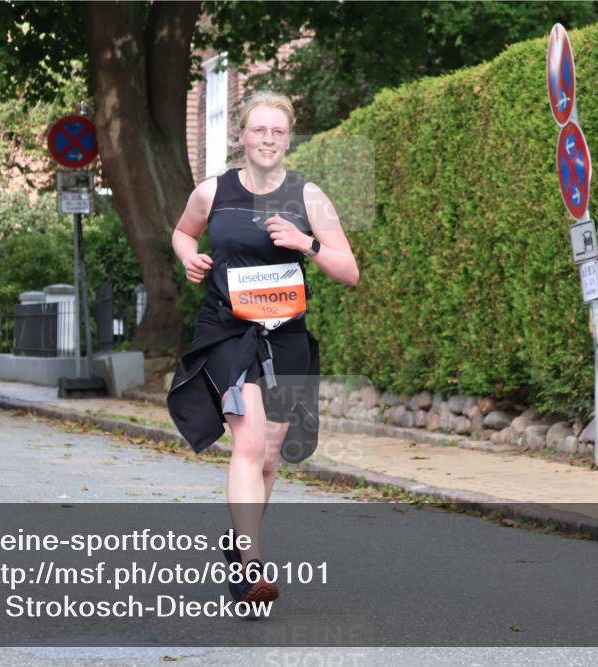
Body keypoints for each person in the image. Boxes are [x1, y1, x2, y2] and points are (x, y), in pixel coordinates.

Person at [167, 92, 359, 604]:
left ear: (288, 138)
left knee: (270, 458)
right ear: (242, 136)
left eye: (277, 131)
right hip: (228, 332)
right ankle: (252, 567)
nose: (267, 139)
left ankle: (238, 544)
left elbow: (350, 270)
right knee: (249, 445)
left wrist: (306, 244)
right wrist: (191, 258)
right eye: (258, 130)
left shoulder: (309, 196)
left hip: (286, 336)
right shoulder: (213, 192)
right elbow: (183, 233)